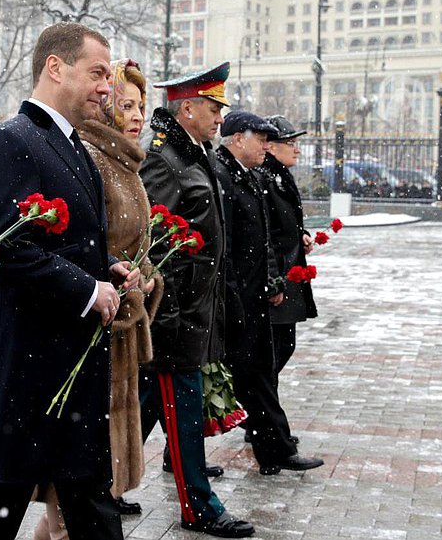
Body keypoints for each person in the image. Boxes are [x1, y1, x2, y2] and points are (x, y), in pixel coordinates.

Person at [0, 23, 140, 540]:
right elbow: (7, 246)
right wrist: (89, 290)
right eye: (98, 73)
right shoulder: (11, 141)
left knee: (90, 505)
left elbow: (67, 245)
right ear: (55, 67)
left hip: (73, 371)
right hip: (28, 371)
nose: (108, 86)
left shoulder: (74, 148)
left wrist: (106, 272)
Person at [34, 58, 163, 540]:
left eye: (141, 107)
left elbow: (135, 244)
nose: (135, 115)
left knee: (85, 498)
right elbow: (84, 245)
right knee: (73, 501)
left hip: (119, 333)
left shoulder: (126, 160)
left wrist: (145, 277)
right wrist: (112, 279)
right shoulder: (89, 156)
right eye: (125, 104)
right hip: (91, 331)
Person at [139, 64, 255, 538]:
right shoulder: (164, 161)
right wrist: (167, 319)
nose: (218, 119)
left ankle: (100, 485)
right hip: (176, 317)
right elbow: (156, 247)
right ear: (186, 109)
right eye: (212, 109)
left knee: (150, 406)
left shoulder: (195, 155)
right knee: (183, 416)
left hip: (197, 312)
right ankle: (199, 506)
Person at [216, 111, 324, 478]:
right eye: (260, 139)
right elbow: (226, 246)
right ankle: (175, 453)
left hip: (256, 295)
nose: (266, 145)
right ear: (238, 139)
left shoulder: (249, 176)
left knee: (258, 374)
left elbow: (262, 240)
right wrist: (233, 297)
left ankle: (275, 449)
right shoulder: (223, 174)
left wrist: (273, 283)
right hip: (236, 299)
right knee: (231, 376)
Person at [258, 116, 317, 412]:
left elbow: (284, 223)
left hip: (288, 273)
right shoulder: (265, 178)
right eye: (290, 143)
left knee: (283, 346)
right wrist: (272, 279)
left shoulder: (281, 176)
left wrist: (301, 234)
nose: (297, 150)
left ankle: (262, 417)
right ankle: (262, 418)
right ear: (270, 147)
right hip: (277, 275)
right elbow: (264, 233)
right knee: (273, 351)